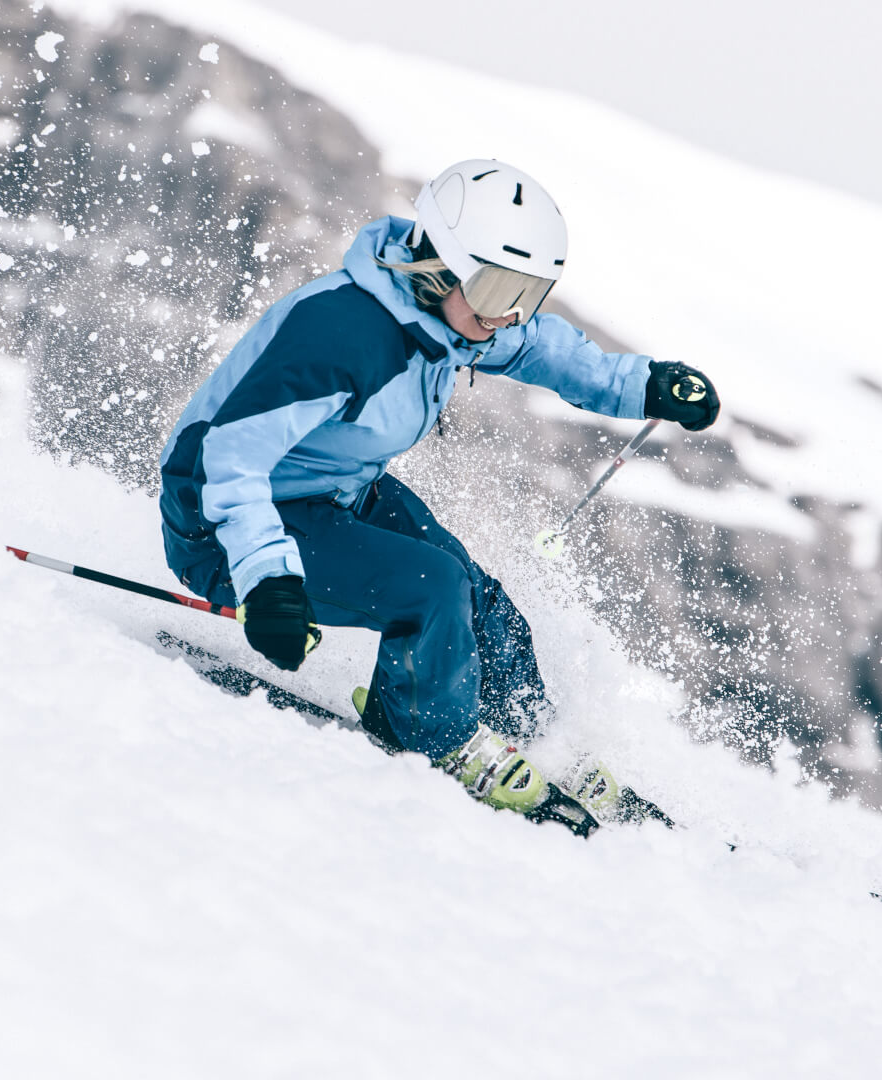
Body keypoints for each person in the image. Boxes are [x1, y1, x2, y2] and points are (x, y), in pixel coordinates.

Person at [158, 159, 718, 823]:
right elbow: (230, 457)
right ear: (440, 265)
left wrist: (644, 385)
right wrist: (267, 580)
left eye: (528, 291)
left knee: (479, 599)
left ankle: (538, 739)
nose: (511, 312)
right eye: (500, 287)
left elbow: (547, 350)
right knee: (430, 589)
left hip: (331, 494)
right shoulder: (343, 335)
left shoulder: (456, 319)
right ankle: (437, 736)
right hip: (221, 524)